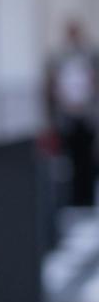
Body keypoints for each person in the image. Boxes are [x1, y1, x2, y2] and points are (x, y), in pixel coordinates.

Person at [46, 19, 99, 206]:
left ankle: (87, 197)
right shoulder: (59, 57)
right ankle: (73, 199)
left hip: (86, 116)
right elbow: (52, 86)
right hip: (67, 117)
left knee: (87, 158)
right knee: (70, 159)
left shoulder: (90, 55)